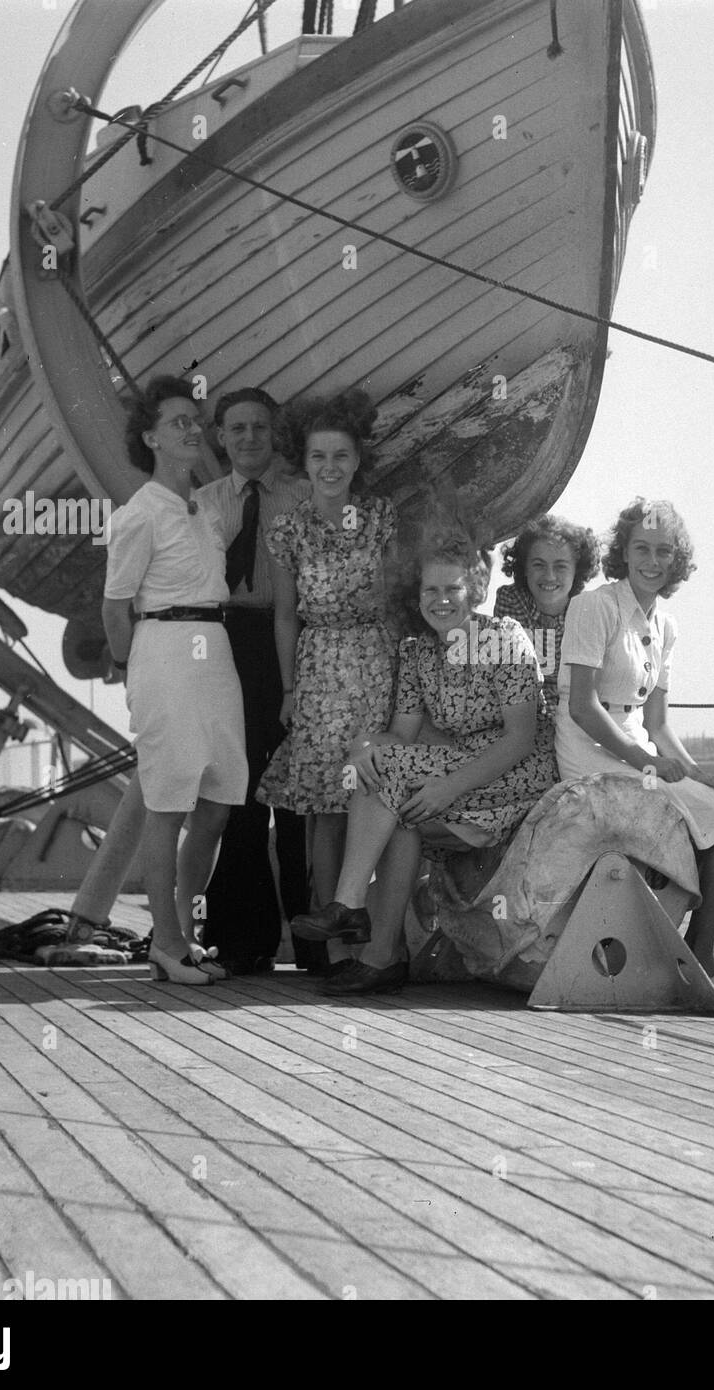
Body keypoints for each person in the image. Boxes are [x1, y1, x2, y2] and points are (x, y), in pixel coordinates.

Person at [291, 533, 557, 995]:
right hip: (461, 770)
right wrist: (363, 745)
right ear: (417, 598)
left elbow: (520, 737)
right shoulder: (417, 653)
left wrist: (448, 787)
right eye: (430, 590)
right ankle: (377, 951)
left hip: (516, 772)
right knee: (384, 783)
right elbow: (402, 736)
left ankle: (355, 916)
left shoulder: (503, 638)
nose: (441, 600)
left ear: (473, 590)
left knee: (394, 783)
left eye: (451, 588)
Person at [555, 498, 714, 1001]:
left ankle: (695, 954)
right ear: (624, 553)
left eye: (664, 553)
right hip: (592, 749)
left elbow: (657, 722)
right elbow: (583, 709)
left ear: (676, 562)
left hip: (638, 746)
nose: (653, 562)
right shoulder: (595, 606)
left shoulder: (665, 625)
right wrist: (649, 763)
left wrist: (698, 773)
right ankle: (698, 962)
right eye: (642, 550)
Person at [101, 375, 247, 985]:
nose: (193, 429)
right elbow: (115, 607)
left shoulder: (207, 506)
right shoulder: (139, 515)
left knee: (217, 800)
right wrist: (132, 670)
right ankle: (164, 941)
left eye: (196, 420)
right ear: (151, 437)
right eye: (179, 421)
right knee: (166, 803)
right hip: (162, 649)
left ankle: (183, 930)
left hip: (215, 651)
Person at [256, 389, 398, 974]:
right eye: (319, 458)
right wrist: (290, 690)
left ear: (358, 459)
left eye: (341, 456)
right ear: (304, 462)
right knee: (324, 806)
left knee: (371, 793)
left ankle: (380, 940)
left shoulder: (382, 516)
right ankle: (332, 948)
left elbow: (393, 601)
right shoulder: (289, 529)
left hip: (374, 661)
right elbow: (285, 614)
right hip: (317, 667)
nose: (330, 468)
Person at [194, 387, 312, 973]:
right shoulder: (202, 504)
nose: (247, 439)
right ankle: (242, 940)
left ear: (275, 432)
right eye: (236, 429)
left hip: (291, 642)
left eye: (259, 428)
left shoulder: (305, 496)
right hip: (226, 642)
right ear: (220, 436)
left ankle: (314, 940)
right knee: (239, 791)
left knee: (296, 792)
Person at [493, 513, 600, 713]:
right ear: (524, 567)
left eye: (560, 566)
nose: (549, 576)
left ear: (577, 570)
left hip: (572, 718)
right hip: (523, 713)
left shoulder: (589, 612)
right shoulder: (511, 599)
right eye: (539, 565)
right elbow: (517, 677)